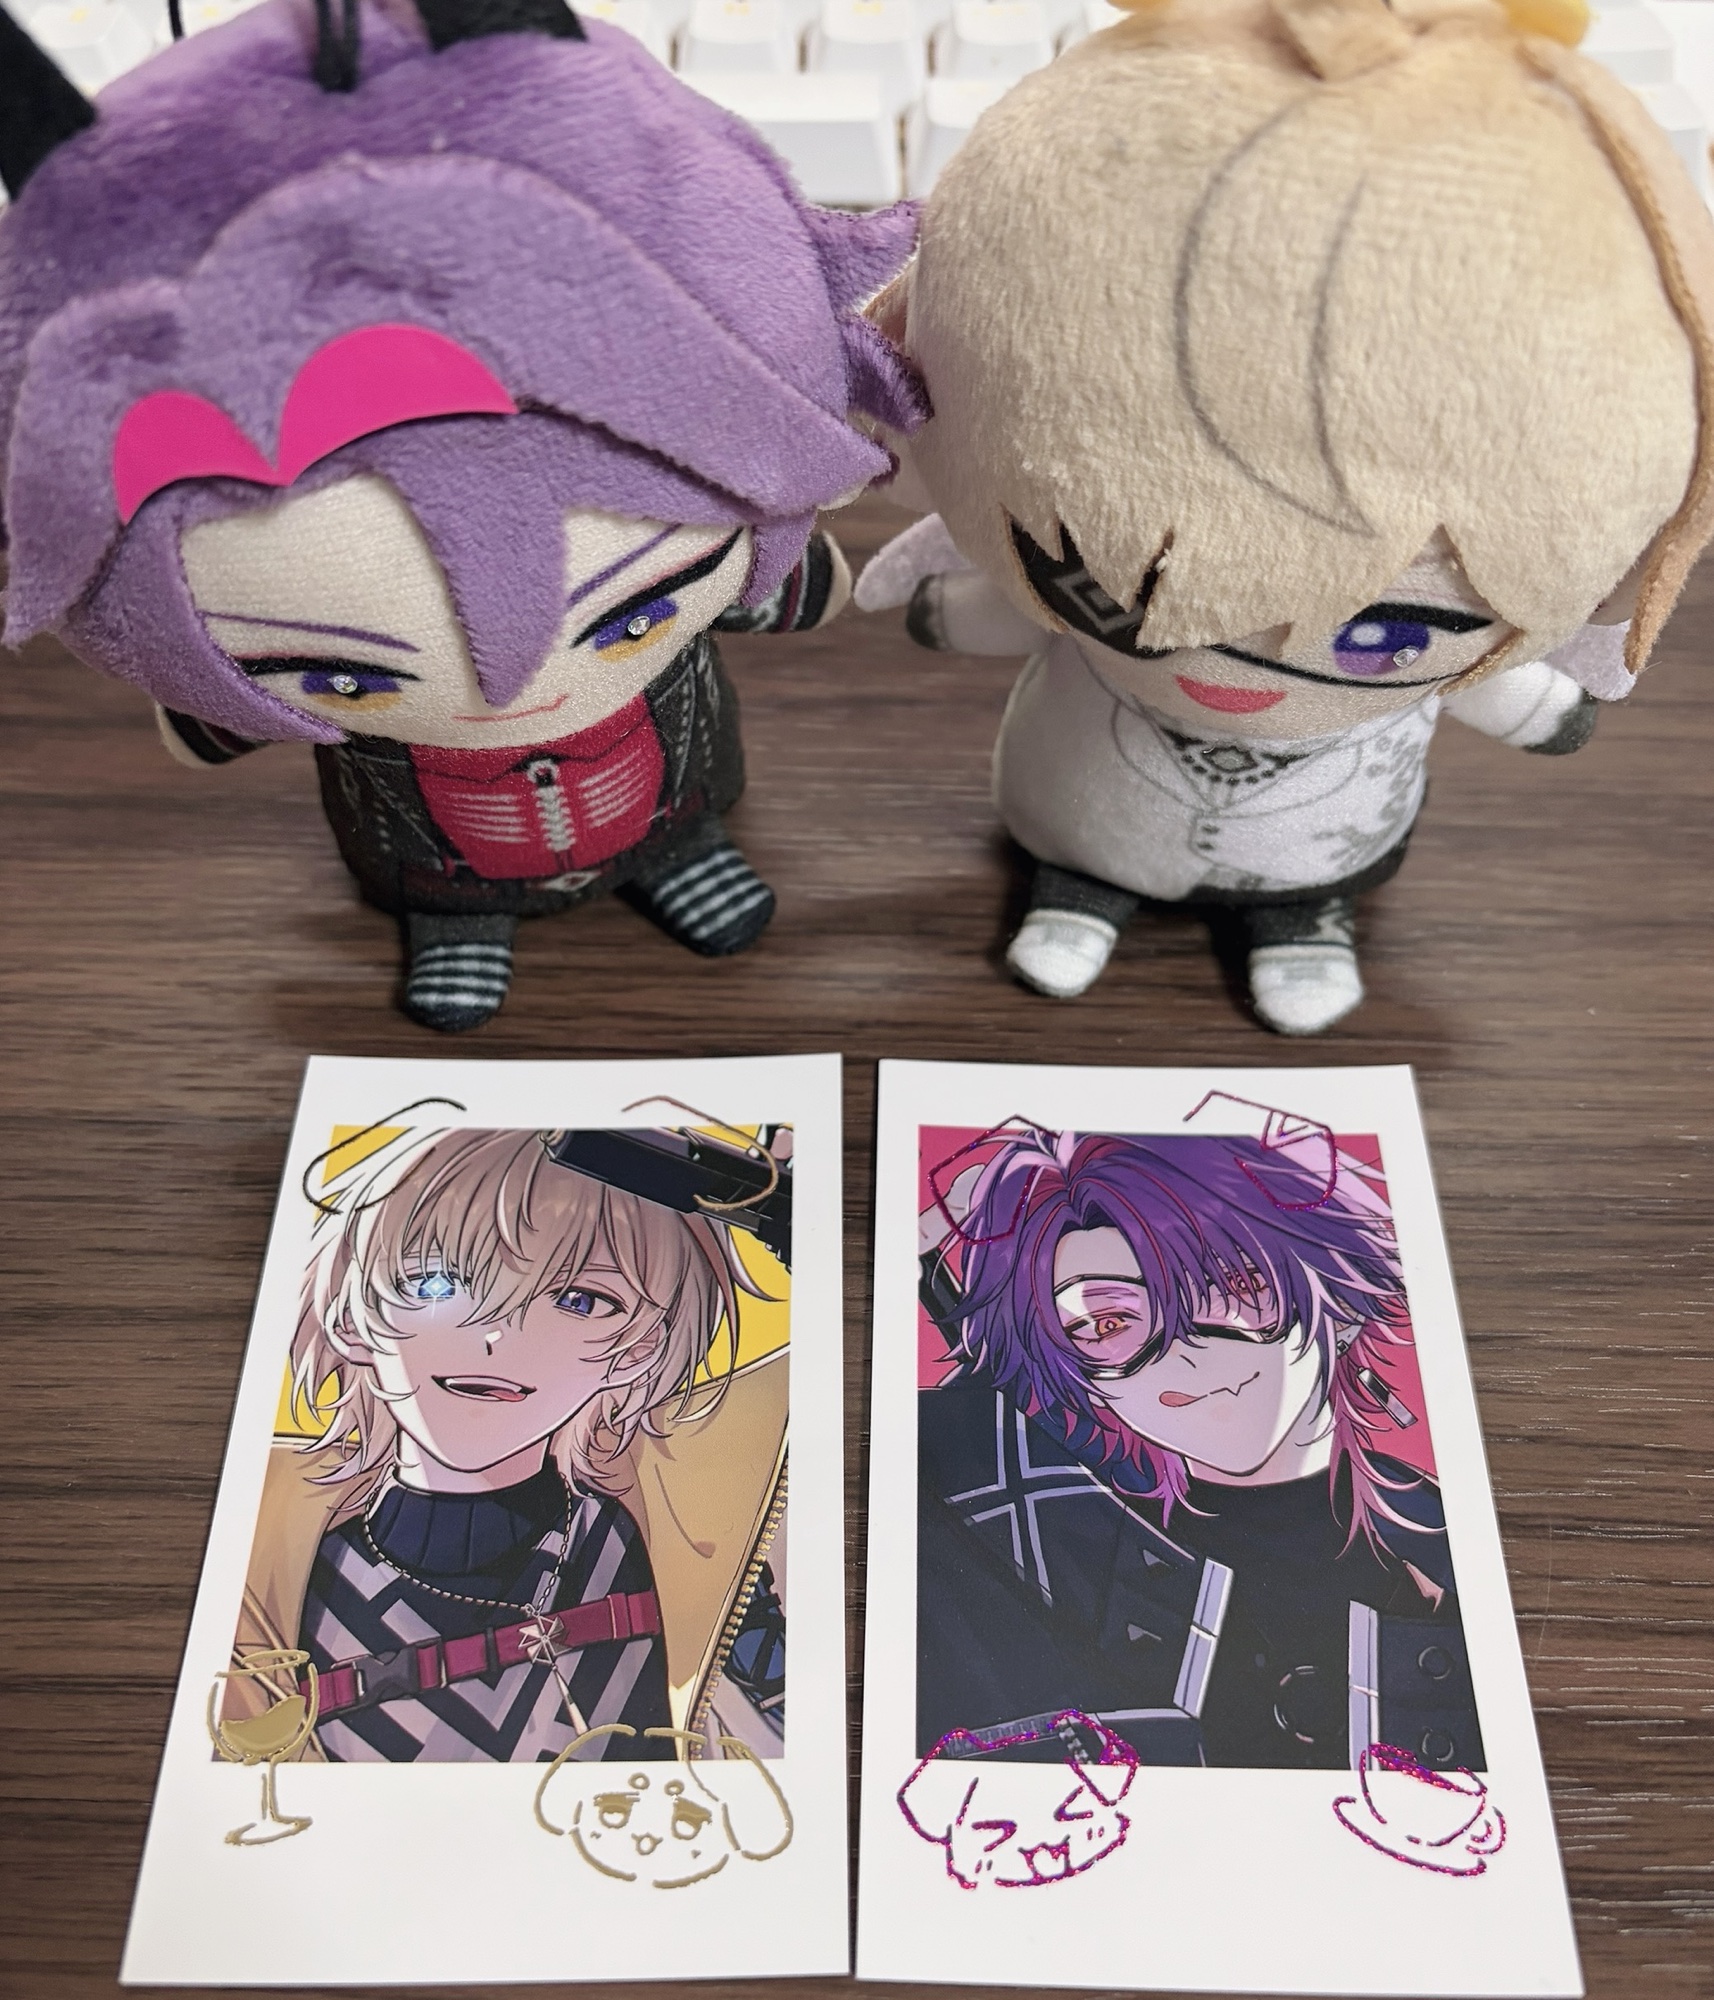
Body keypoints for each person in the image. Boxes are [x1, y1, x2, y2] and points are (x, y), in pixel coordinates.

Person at [0, 0, 923, 1029]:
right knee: (446, 893)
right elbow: (205, 720)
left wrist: (784, 579)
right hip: (427, 848)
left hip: (670, 786)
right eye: (343, 674)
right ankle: (458, 926)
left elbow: (777, 579)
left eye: (635, 613)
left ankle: (680, 855)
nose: (519, 692)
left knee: (684, 828)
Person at [856, 0, 1713, 1033]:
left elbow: (1535, 705)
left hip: (1324, 840)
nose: (1235, 660)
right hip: (1071, 811)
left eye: (1385, 633)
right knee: (1079, 849)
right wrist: (956, 608)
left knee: (1305, 878)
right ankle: (1077, 893)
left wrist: (1541, 707)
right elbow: (990, 598)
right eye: (1127, 594)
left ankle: (1302, 922)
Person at [916, 1125, 1484, 1772]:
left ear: (1340, 1299)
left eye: (1232, 1288)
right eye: (1109, 1323)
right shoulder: (1041, 1521)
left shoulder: (1451, 1546)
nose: (1184, 1358)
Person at [230, 1124, 788, 1764]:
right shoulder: (267, 1566)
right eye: (435, 1284)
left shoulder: (688, 1534)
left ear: (639, 1349)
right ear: (352, 1317)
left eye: (580, 1300)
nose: (495, 1336)